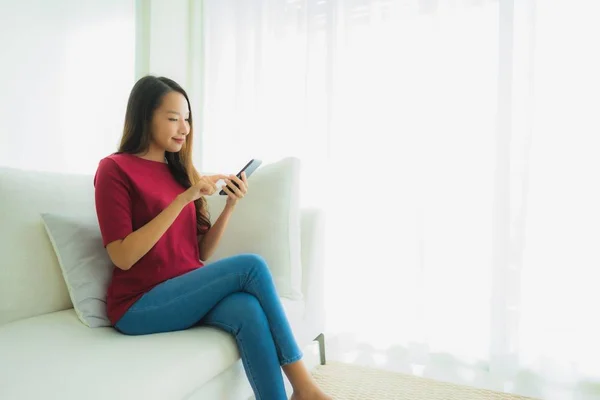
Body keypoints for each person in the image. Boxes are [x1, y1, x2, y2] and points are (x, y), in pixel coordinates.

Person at [93, 76, 331, 400]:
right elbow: (121, 256)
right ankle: (305, 388)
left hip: (183, 291)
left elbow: (200, 253)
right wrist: (182, 200)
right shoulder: (114, 169)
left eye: (187, 119)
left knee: (247, 308)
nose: (184, 128)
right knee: (251, 266)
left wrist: (229, 205)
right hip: (138, 304)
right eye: (173, 118)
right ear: (145, 116)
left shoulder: (179, 171)